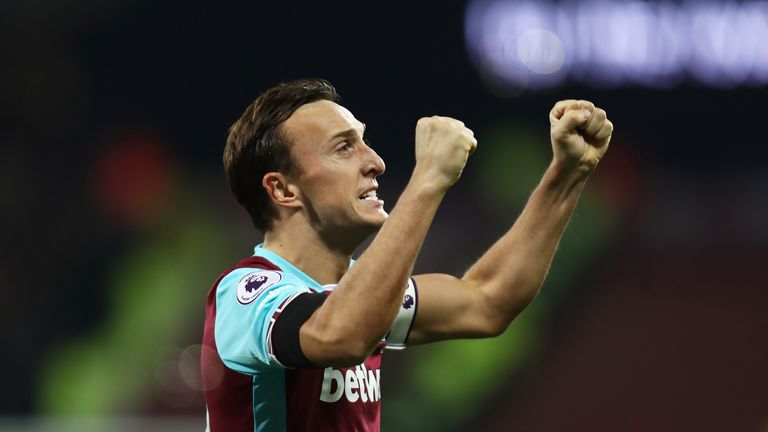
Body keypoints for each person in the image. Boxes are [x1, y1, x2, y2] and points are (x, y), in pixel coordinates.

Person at [201, 79, 613, 432]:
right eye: (344, 148)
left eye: (364, 142)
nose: (376, 162)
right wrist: (428, 179)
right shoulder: (245, 295)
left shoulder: (355, 296)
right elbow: (339, 334)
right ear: (283, 190)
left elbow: (488, 300)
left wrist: (567, 175)